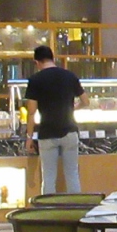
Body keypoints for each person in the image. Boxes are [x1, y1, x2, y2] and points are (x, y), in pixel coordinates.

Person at [25, 45, 88, 194]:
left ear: (37, 62)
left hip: (47, 133)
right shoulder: (69, 76)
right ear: (53, 58)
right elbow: (86, 101)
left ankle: (48, 207)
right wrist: (72, 108)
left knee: (48, 177)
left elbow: (31, 113)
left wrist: (29, 137)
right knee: (72, 174)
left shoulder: (35, 80)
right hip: (70, 131)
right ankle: (76, 206)